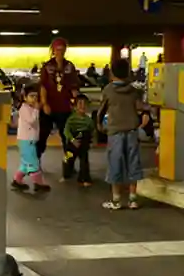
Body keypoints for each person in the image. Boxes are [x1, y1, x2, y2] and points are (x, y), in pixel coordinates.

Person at [98, 59, 144, 210]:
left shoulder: (108, 90)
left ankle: (116, 200)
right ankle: (133, 199)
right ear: (128, 73)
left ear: (112, 73)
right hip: (132, 131)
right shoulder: (134, 91)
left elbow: (102, 110)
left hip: (115, 131)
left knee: (115, 163)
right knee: (133, 162)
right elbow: (140, 108)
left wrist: (99, 125)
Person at [38, 38, 80, 160]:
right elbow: (43, 86)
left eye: (62, 49)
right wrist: (44, 103)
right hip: (49, 106)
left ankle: (69, 163)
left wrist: (75, 102)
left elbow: (74, 87)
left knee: (67, 137)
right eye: (57, 49)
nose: (60, 52)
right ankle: (35, 162)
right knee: (42, 136)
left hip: (65, 107)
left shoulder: (70, 66)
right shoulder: (47, 66)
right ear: (53, 50)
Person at [11, 83, 51, 193]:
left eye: (36, 96)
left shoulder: (30, 108)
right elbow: (31, 121)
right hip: (26, 141)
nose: (34, 99)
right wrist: (37, 110)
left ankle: (17, 180)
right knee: (34, 163)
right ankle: (38, 184)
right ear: (25, 97)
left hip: (29, 140)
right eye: (31, 96)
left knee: (25, 164)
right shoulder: (24, 109)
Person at [62, 94, 95, 187]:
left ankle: (84, 178)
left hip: (83, 142)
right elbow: (66, 131)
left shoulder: (89, 120)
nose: (82, 106)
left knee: (84, 160)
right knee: (67, 159)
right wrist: (72, 140)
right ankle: (66, 175)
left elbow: (92, 131)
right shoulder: (71, 119)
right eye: (80, 103)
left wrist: (92, 141)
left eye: (85, 104)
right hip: (72, 142)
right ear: (75, 106)